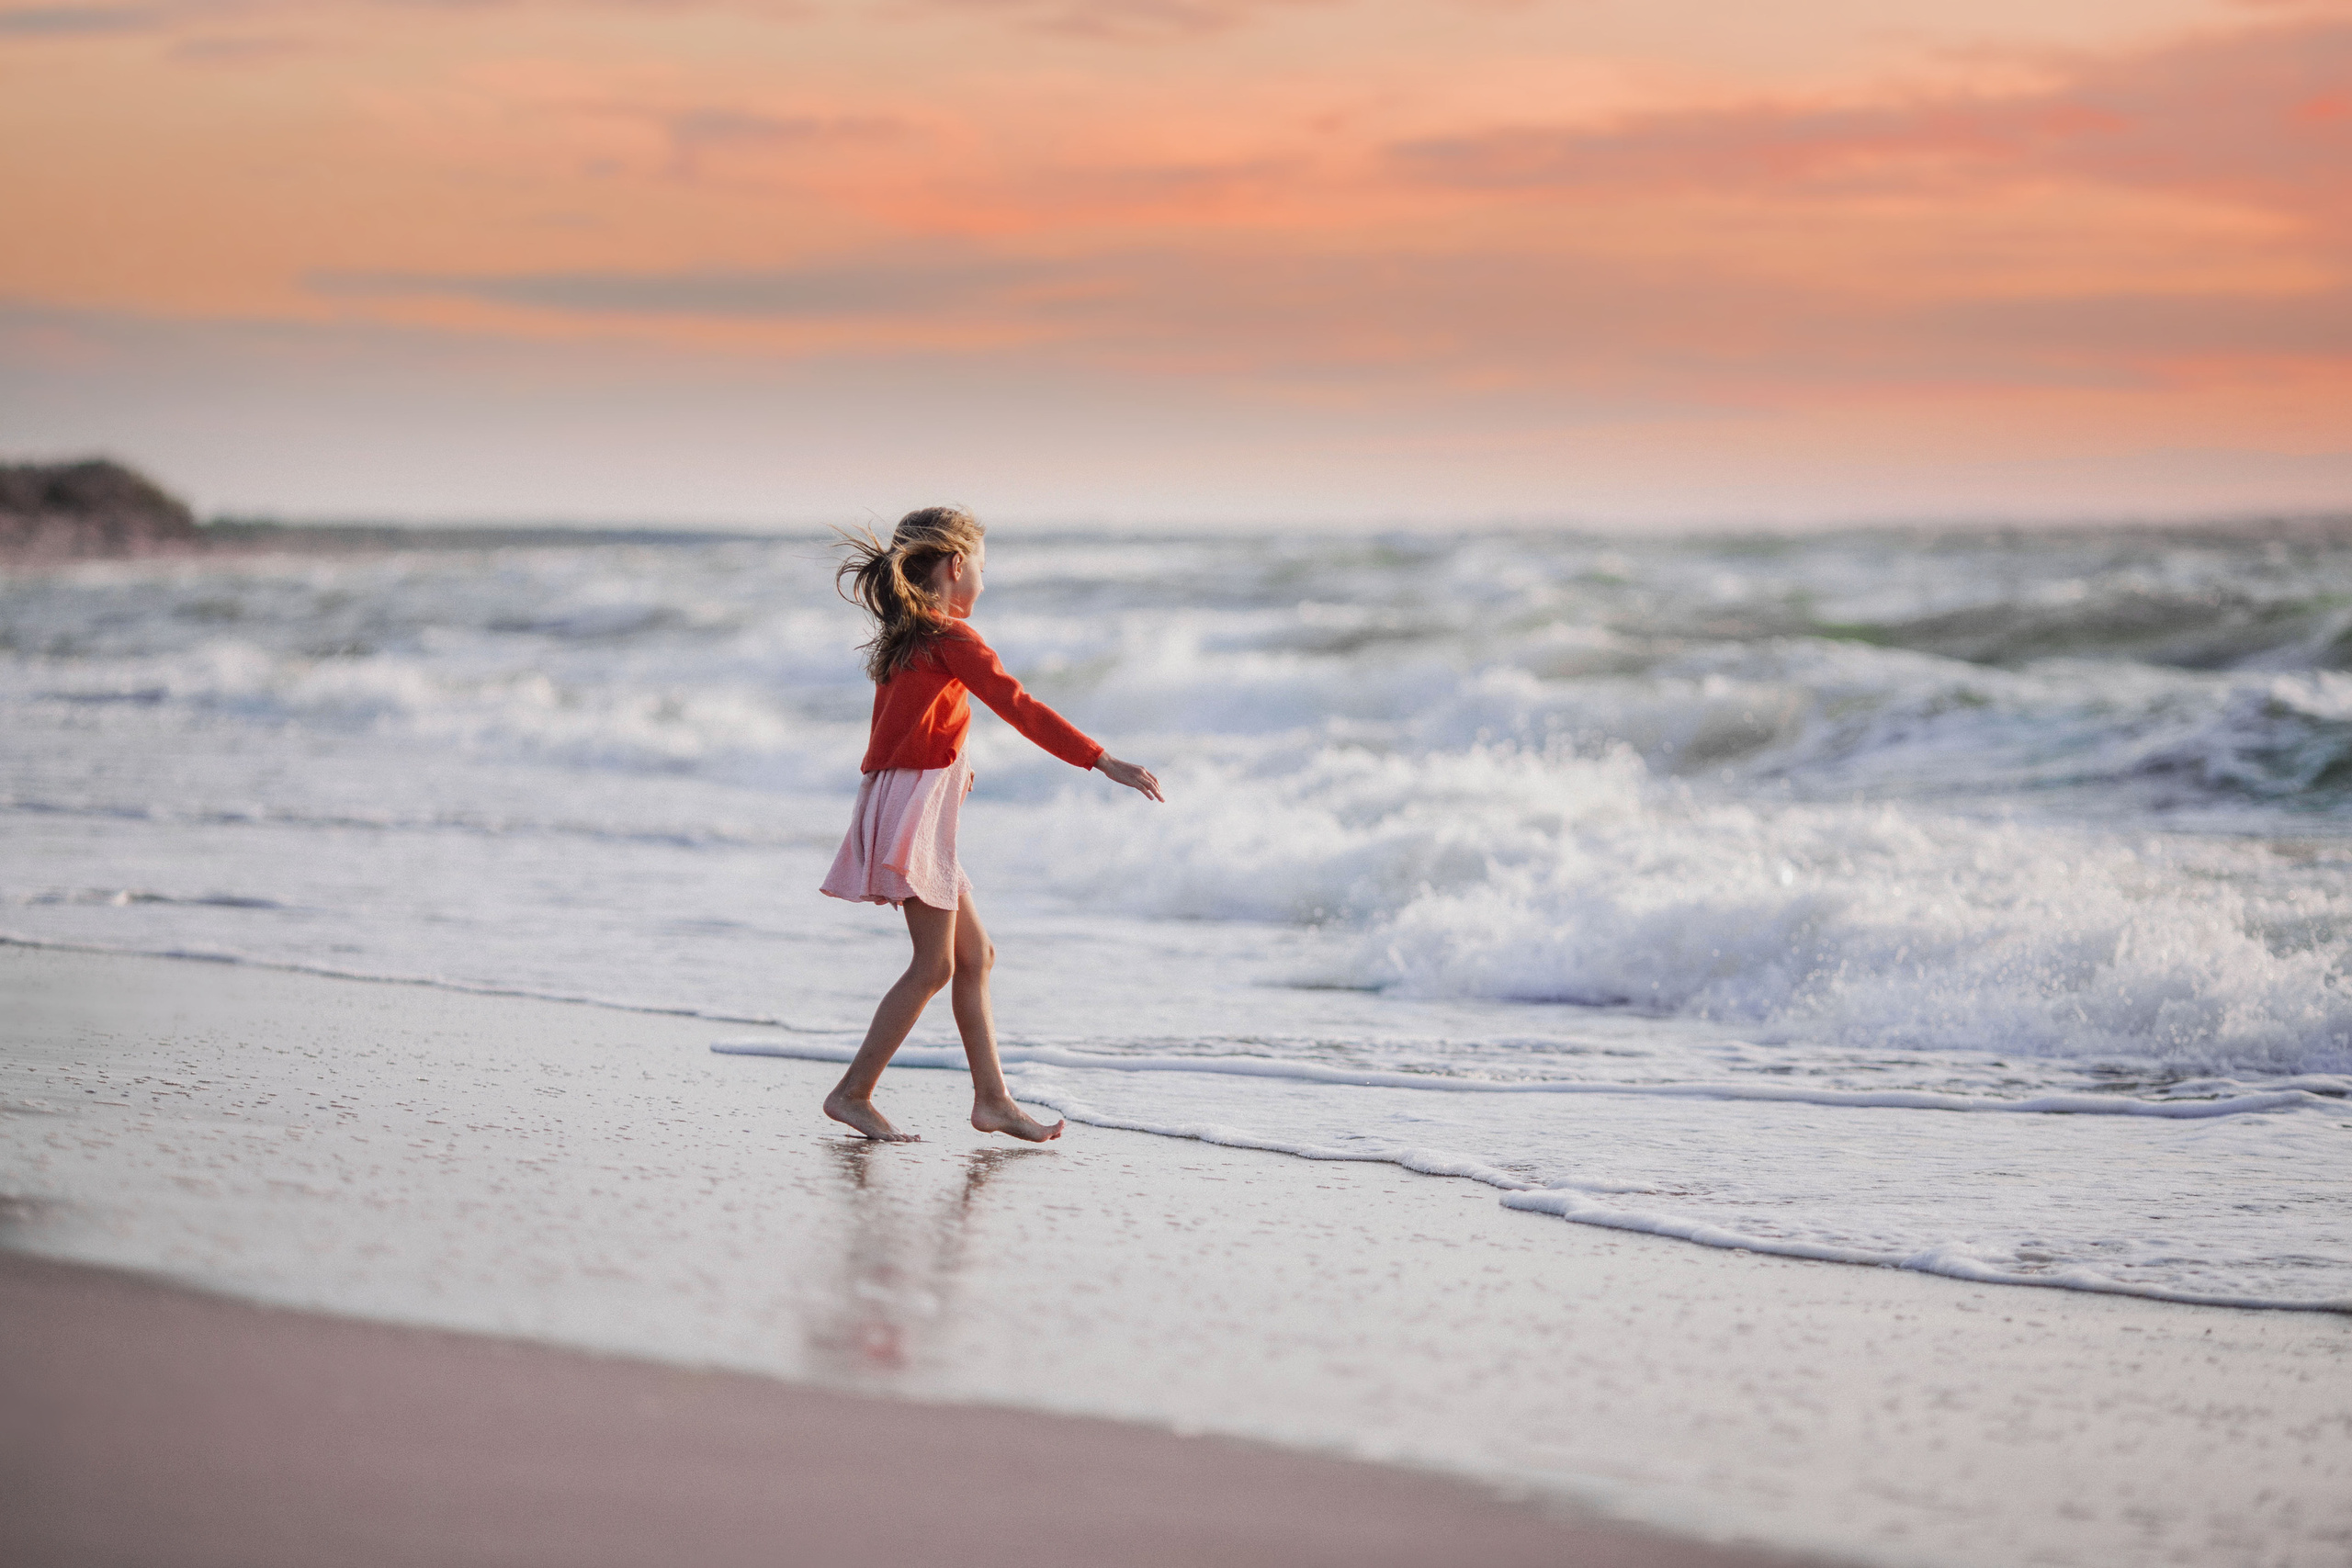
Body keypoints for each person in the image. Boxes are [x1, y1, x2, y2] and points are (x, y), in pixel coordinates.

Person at [820, 505, 1163, 1142]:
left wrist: (948, 771)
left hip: (909, 803)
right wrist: (1102, 759)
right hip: (917, 812)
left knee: (975, 956)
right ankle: (853, 1091)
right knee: (934, 965)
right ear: (956, 566)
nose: (983, 578)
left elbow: (894, 736)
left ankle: (993, 1100)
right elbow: (1020, 705)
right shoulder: (950, 639)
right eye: (981, 565)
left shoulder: (910, 638)